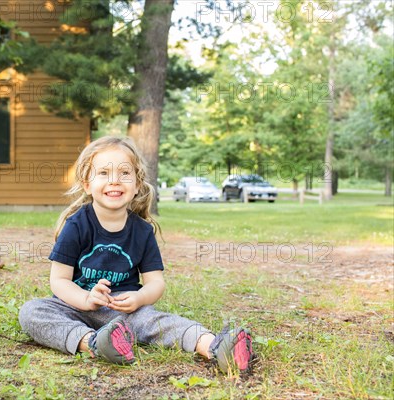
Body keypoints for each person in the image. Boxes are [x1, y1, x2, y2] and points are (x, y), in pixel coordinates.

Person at [19, 136, 254, 373]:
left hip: (123, 311)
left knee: (160, 322)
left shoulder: (142, 231)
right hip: (74, 306)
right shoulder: (77, 225)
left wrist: (139, 299)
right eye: (103, 173)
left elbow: (156, 283)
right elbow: (59, 280)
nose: (115, 181)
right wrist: (86, 299)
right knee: (32, 311)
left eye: (124, 173)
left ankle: (216, 347)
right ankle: (94, 343)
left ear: (137, 184)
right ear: (87, 184)